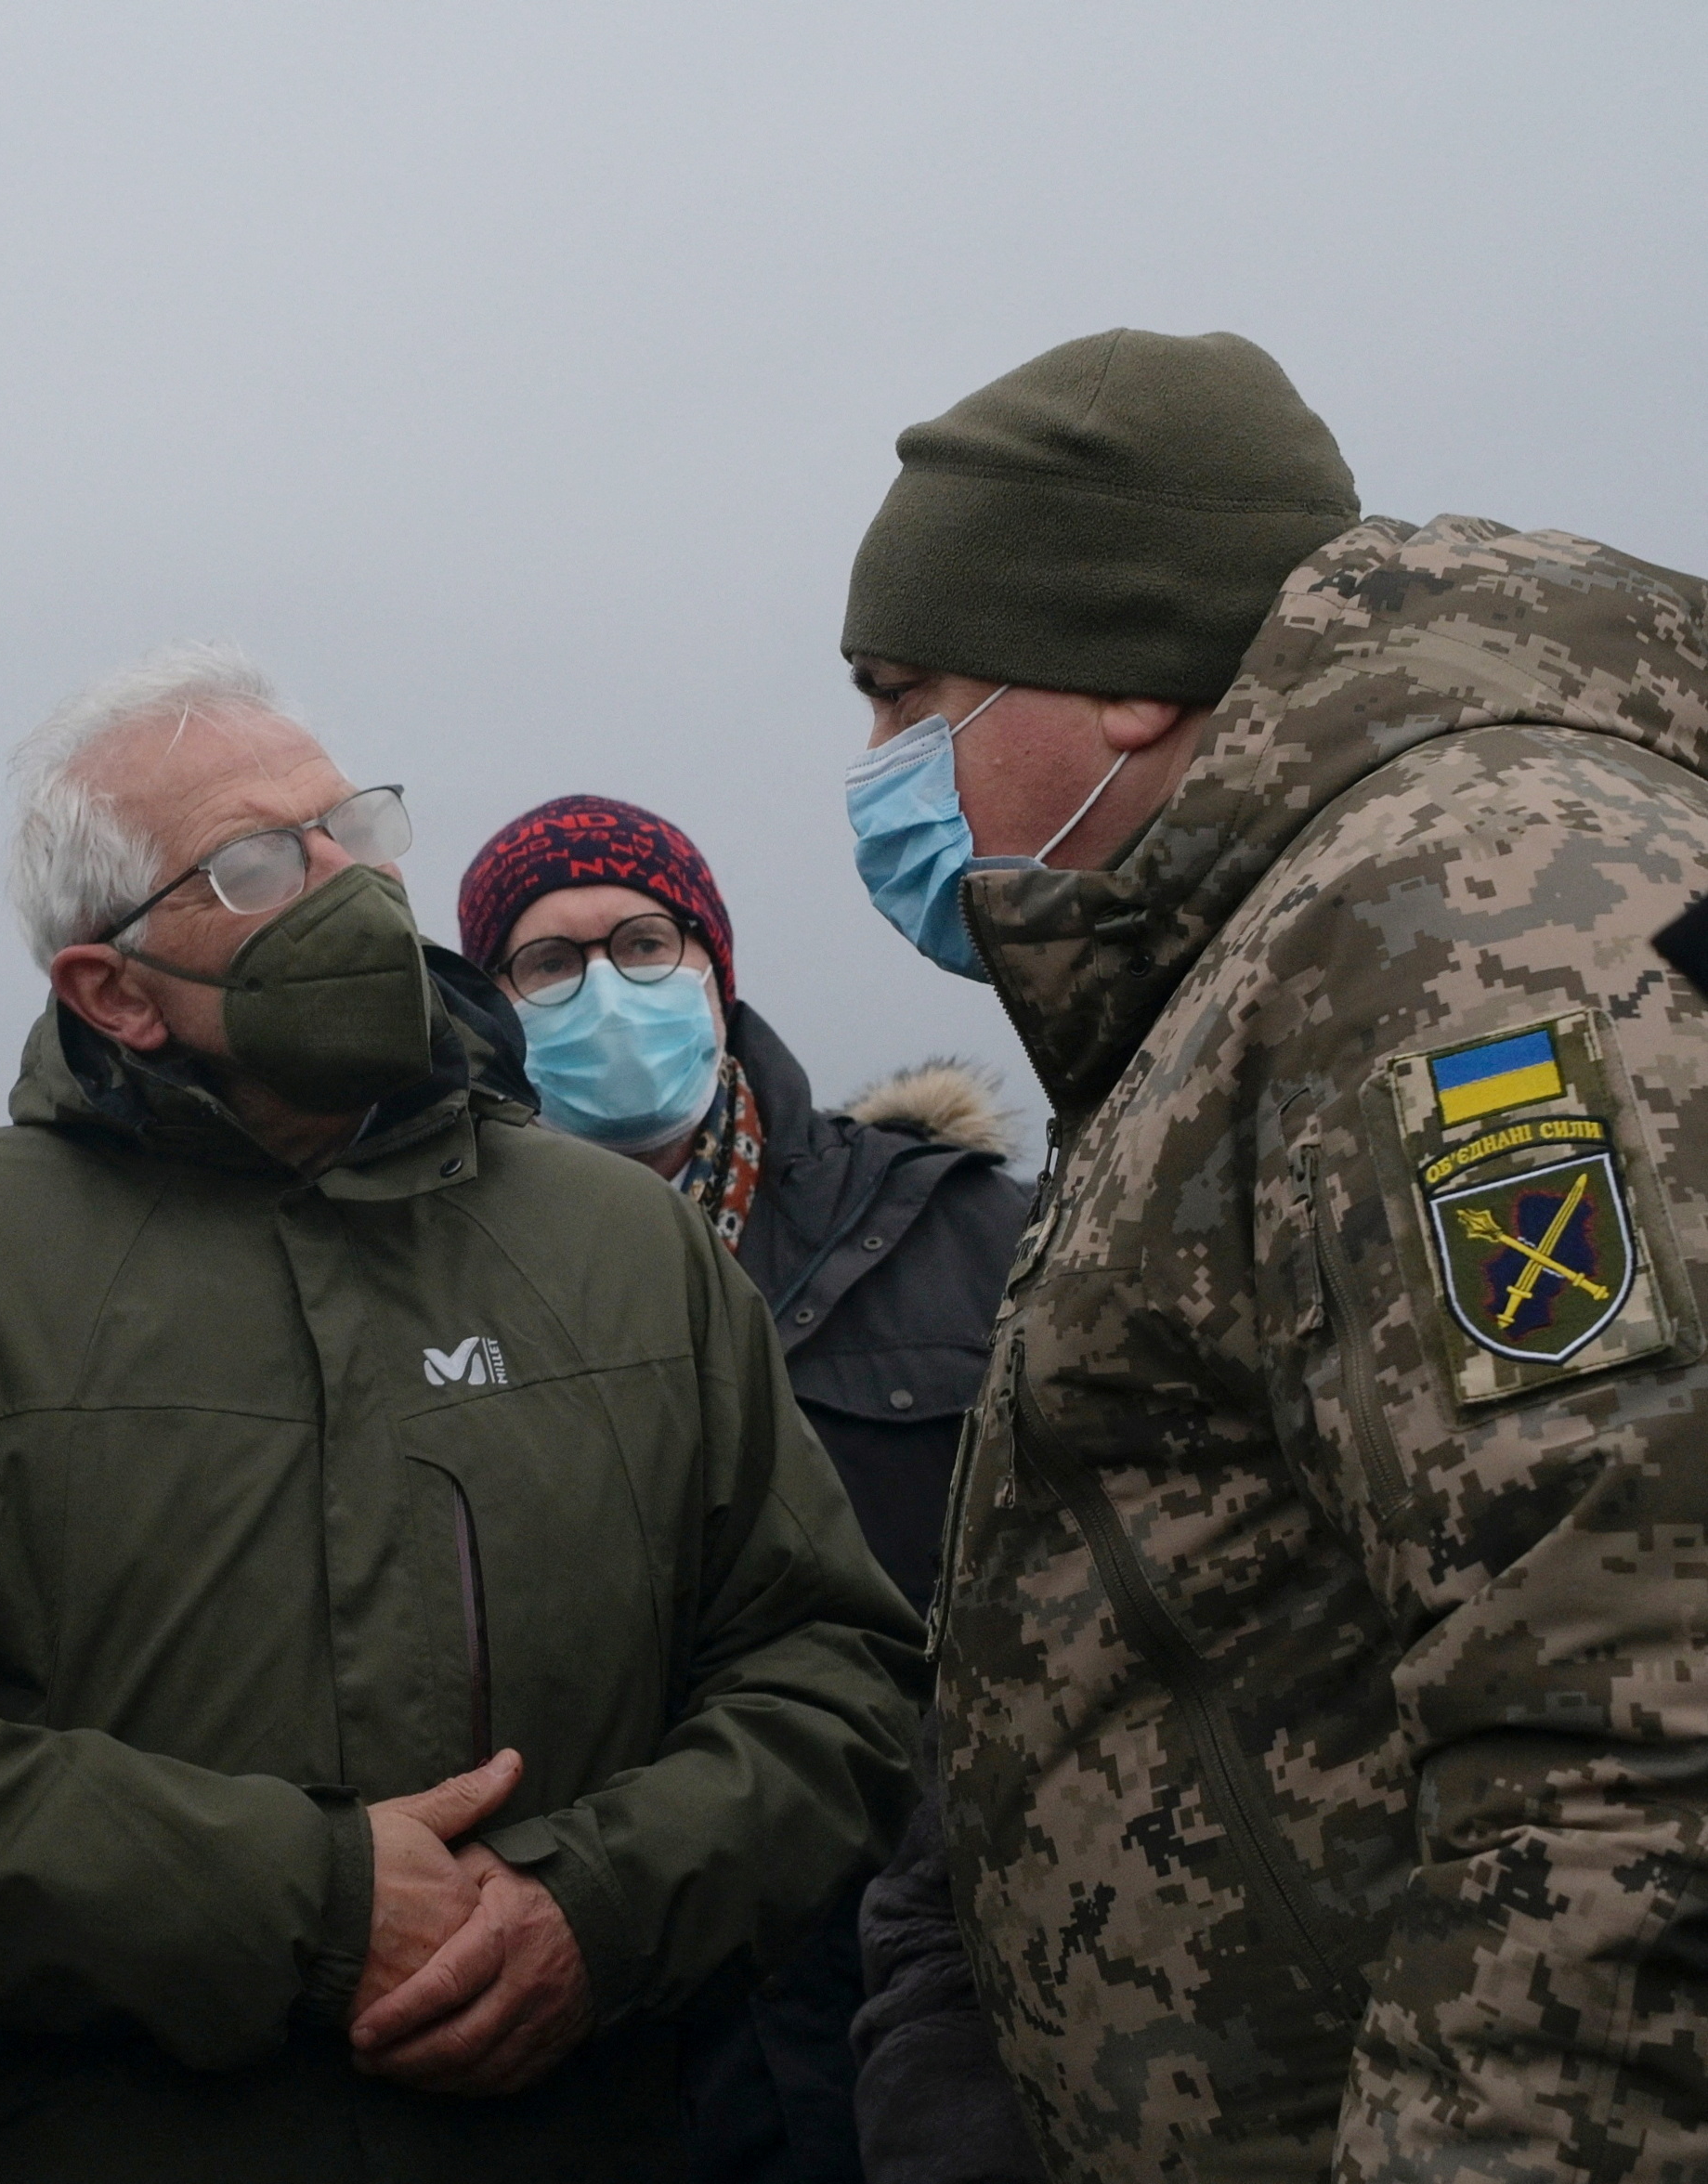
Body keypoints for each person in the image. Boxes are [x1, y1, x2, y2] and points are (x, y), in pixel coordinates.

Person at [0, 643, 927, 2182]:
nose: (351, 885)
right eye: (259, 865)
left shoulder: (622, 1245)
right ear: (112, 990)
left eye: (352, 829)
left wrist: (593, 1909)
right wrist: (304, 1904)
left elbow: (833, 1678)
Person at [838, 328, 1708, 2179]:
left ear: (1121, 682)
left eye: (905, 700)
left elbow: (1635, 1714)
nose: (877, 771)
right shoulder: (1268, 949)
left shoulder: (1464, 930)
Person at [455, 796, 1030, 2183]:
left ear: (714, 967)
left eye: (644, 943)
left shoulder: (964, 1234)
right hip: (622, 2007)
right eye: (548, 962)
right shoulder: (439, 1283)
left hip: (938, 1979)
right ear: (493, 1005)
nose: (606, 987)